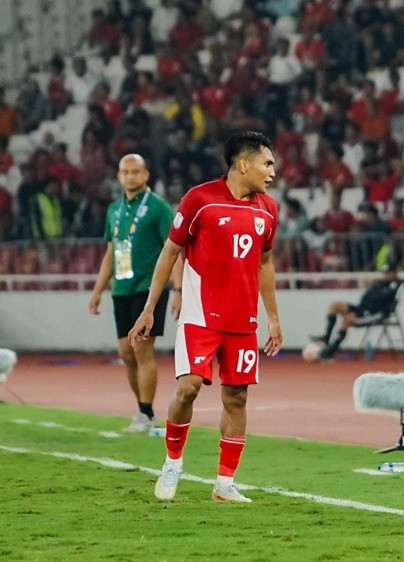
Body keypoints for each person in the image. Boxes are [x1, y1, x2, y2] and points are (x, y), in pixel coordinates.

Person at [128, 131, 282, 503]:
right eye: (267, 163)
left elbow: (264, 262)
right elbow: (169, 253)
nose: (273, 172)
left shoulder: (268, 209)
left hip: (242, 321)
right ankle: (173, 462)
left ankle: (224, 483)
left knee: (237, 398)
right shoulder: (199, 199)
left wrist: (273, 317)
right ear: (243, 164)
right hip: (200, 317)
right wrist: (150, 307)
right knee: (189, 387)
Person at [89, 154, 179, 433]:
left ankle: (145, 412)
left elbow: (174, 249)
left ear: (146, 174)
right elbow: (110, 253)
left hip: (149, 287)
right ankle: (141, 407)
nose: (130, 176)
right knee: (125, 351)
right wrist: (97, 290)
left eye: (136, 171)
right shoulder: (114, 209)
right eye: (125, 172)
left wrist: (177, 289)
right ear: (118, 176)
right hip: (122, 287)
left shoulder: (159, 207)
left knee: (142, 347)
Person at [312, 264, 402, 360]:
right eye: (384, 273)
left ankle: (330, 351)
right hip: (362, 308)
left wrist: (373, 291)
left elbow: (381, 298)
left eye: (388, 273)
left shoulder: (394, 285)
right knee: (335, 305)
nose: (385, 275)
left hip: (374, 313)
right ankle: (326, 337)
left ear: (394, 273)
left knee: (348, 319)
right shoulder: (380, 283)